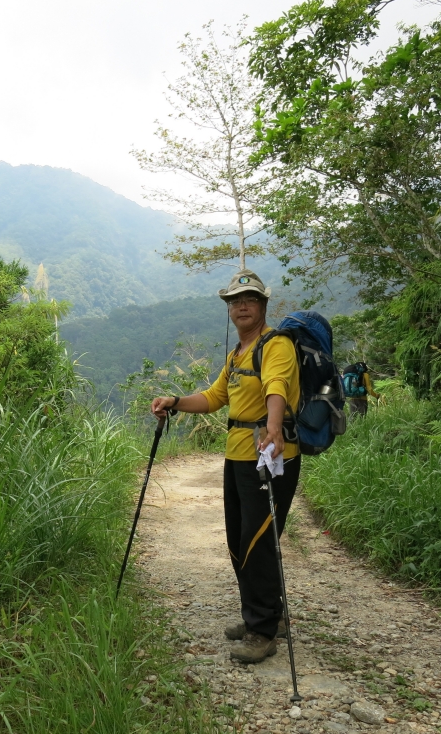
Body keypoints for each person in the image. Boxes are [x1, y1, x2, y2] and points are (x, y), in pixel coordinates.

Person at [151, 269, 300, 664]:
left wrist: (273, 427)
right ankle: (268, 615)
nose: (242, 306)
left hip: (267, 454)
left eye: (249, 299)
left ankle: (263, 630)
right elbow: (216, 396)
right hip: (238, 456)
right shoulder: (237, 354)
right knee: (240, 540)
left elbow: (277, 386)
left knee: (257, 540)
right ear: (229, 310)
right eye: (235, 301)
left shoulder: (276, 345)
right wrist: (175, 400)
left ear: (263, 305)